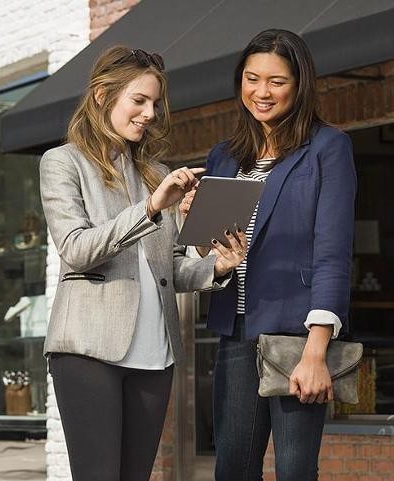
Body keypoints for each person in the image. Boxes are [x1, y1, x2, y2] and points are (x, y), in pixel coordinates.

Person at [39, 45, 247, 481]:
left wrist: (217, 267)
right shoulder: (63, 163)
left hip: (156, 353)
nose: (150, 113)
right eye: (139, 100)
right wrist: (151, 209)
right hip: (87, 350)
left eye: (155, 103)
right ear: (101, 96)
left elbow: (169, 268)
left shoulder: (155, 172)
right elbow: (76, 248)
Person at [181, 29, 356, 481]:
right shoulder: (224, 156)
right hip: (235, 332)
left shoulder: (326, 148)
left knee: (296, 470)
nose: (262, 92)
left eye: (277, 81)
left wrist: (317, 351)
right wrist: (194, 224)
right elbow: (209, 253)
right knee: (232, 469)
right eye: (252, 78)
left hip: (297, 337)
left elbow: (333, 253)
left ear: (299, 85)